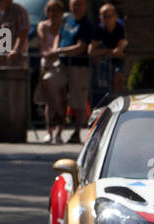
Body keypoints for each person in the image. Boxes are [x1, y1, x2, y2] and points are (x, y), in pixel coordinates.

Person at [58, 0, 92, 143]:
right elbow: (60, 38)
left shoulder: (86, 24)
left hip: (79, 66)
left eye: (79, 4)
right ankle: (56, 129)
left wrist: (58, 51)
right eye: (73, 4)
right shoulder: (68, 21)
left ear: (85, 6)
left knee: (79, 100)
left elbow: (81, 47)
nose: (76, 7)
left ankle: (77, 132)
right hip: (63, 64)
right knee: (59, 95)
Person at [34, 0, 65, 144]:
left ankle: (59, 132)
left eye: (56, 11)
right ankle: (49, 132)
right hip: (47, 65)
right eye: (50, 11)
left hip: (61, 65)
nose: (53, 14)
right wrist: (49, 53)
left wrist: (55, 52)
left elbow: (60, 44)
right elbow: (43, 41)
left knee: (61, 97)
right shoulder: (43, 26)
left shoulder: (64, 27)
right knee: (50, 101)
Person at [88, 2, 124, 109]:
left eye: (110, 16)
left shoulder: (120, 27)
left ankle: (117, 106)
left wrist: (103, 51)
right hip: (102, 64)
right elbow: (91, 52)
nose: (107, 19)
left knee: (118, 78)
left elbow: (119, 50)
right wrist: (108, 51)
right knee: (100, 88)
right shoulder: (99, 29)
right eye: (104, 16)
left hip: (116, 62)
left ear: (115, 16)